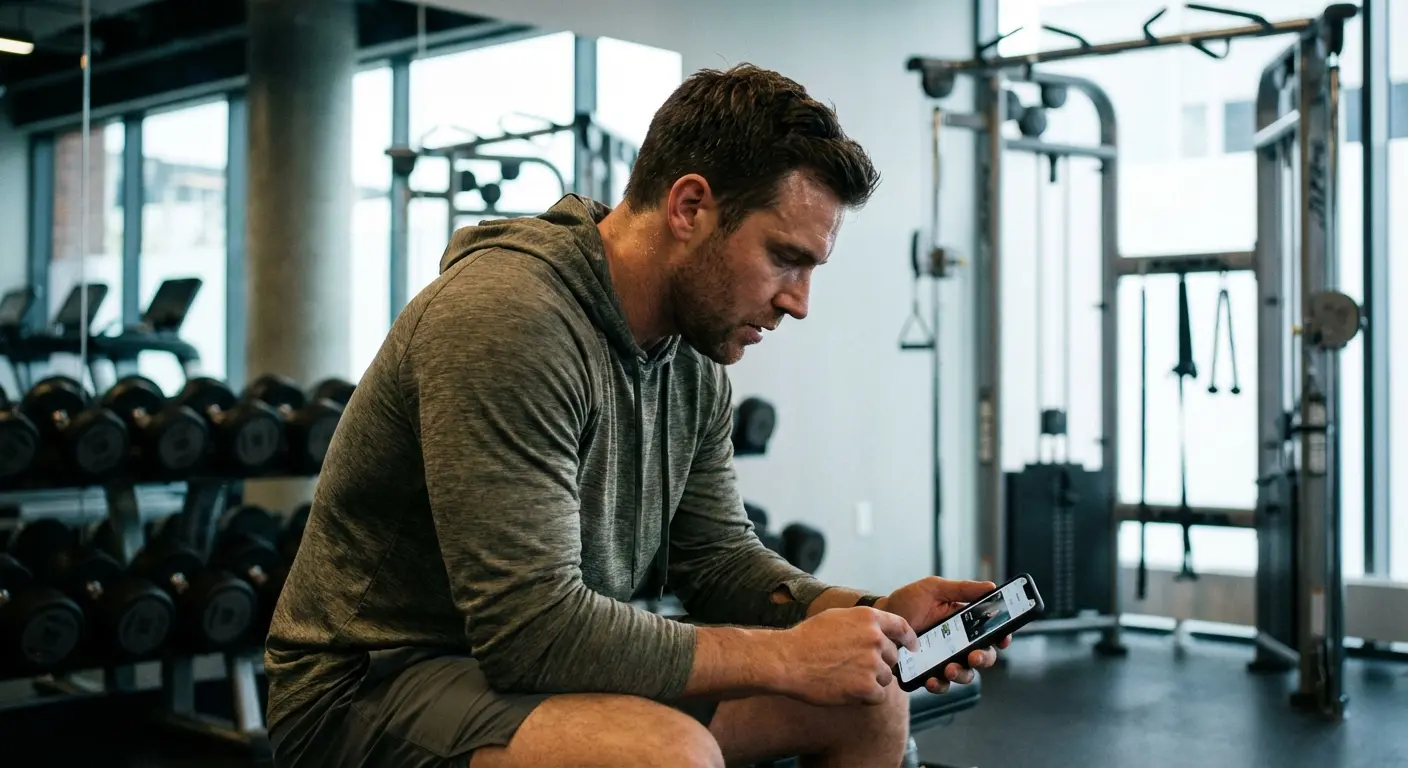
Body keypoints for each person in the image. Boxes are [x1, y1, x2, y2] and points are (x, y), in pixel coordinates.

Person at [264, 63, 1009, 768]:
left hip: (539, 665)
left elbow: (717, 559)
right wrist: (787, 655)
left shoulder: (691, 355)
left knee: (869, 697)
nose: (798, 301)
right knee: (664, 755)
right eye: (785, 258)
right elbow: (533, 632)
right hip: (373, 683)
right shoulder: (509, 318)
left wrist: (876, 617)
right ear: (690, 207)